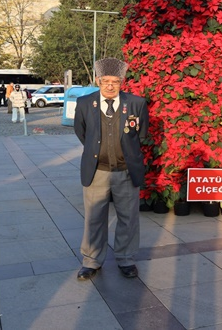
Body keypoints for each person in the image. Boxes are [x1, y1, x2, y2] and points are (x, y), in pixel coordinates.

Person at [74, 58, 149, 281]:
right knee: (94, 217)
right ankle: (91, 261)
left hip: (126, 171)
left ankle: (126, 259)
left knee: (128, 218)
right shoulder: (85, 103)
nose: (109, 86)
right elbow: (82, 133)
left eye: (114, 81)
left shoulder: (136, 103)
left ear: (121, 82)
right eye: (105, 81)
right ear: (98, 81)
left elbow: (141, 134)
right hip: (97, 171)